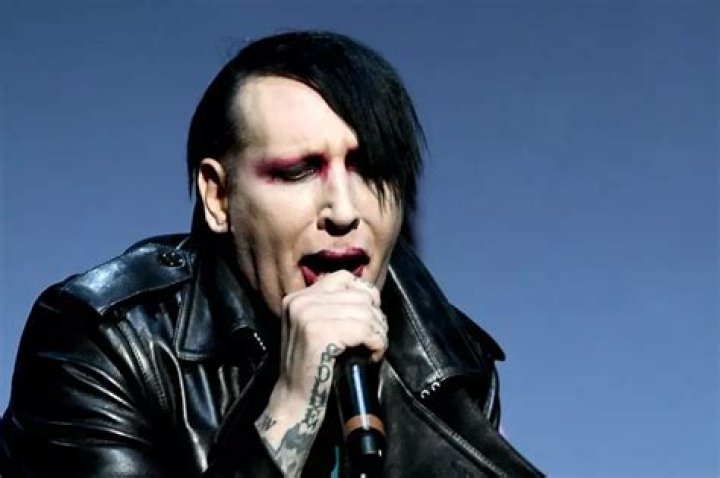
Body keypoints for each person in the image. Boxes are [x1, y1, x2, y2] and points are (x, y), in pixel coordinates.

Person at [0, 31, 543, 477]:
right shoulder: (106, 343)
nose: (343, 210)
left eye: (371, 170)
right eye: (298, 171)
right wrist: (289, 406)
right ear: (219, 197)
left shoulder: (448, 360)